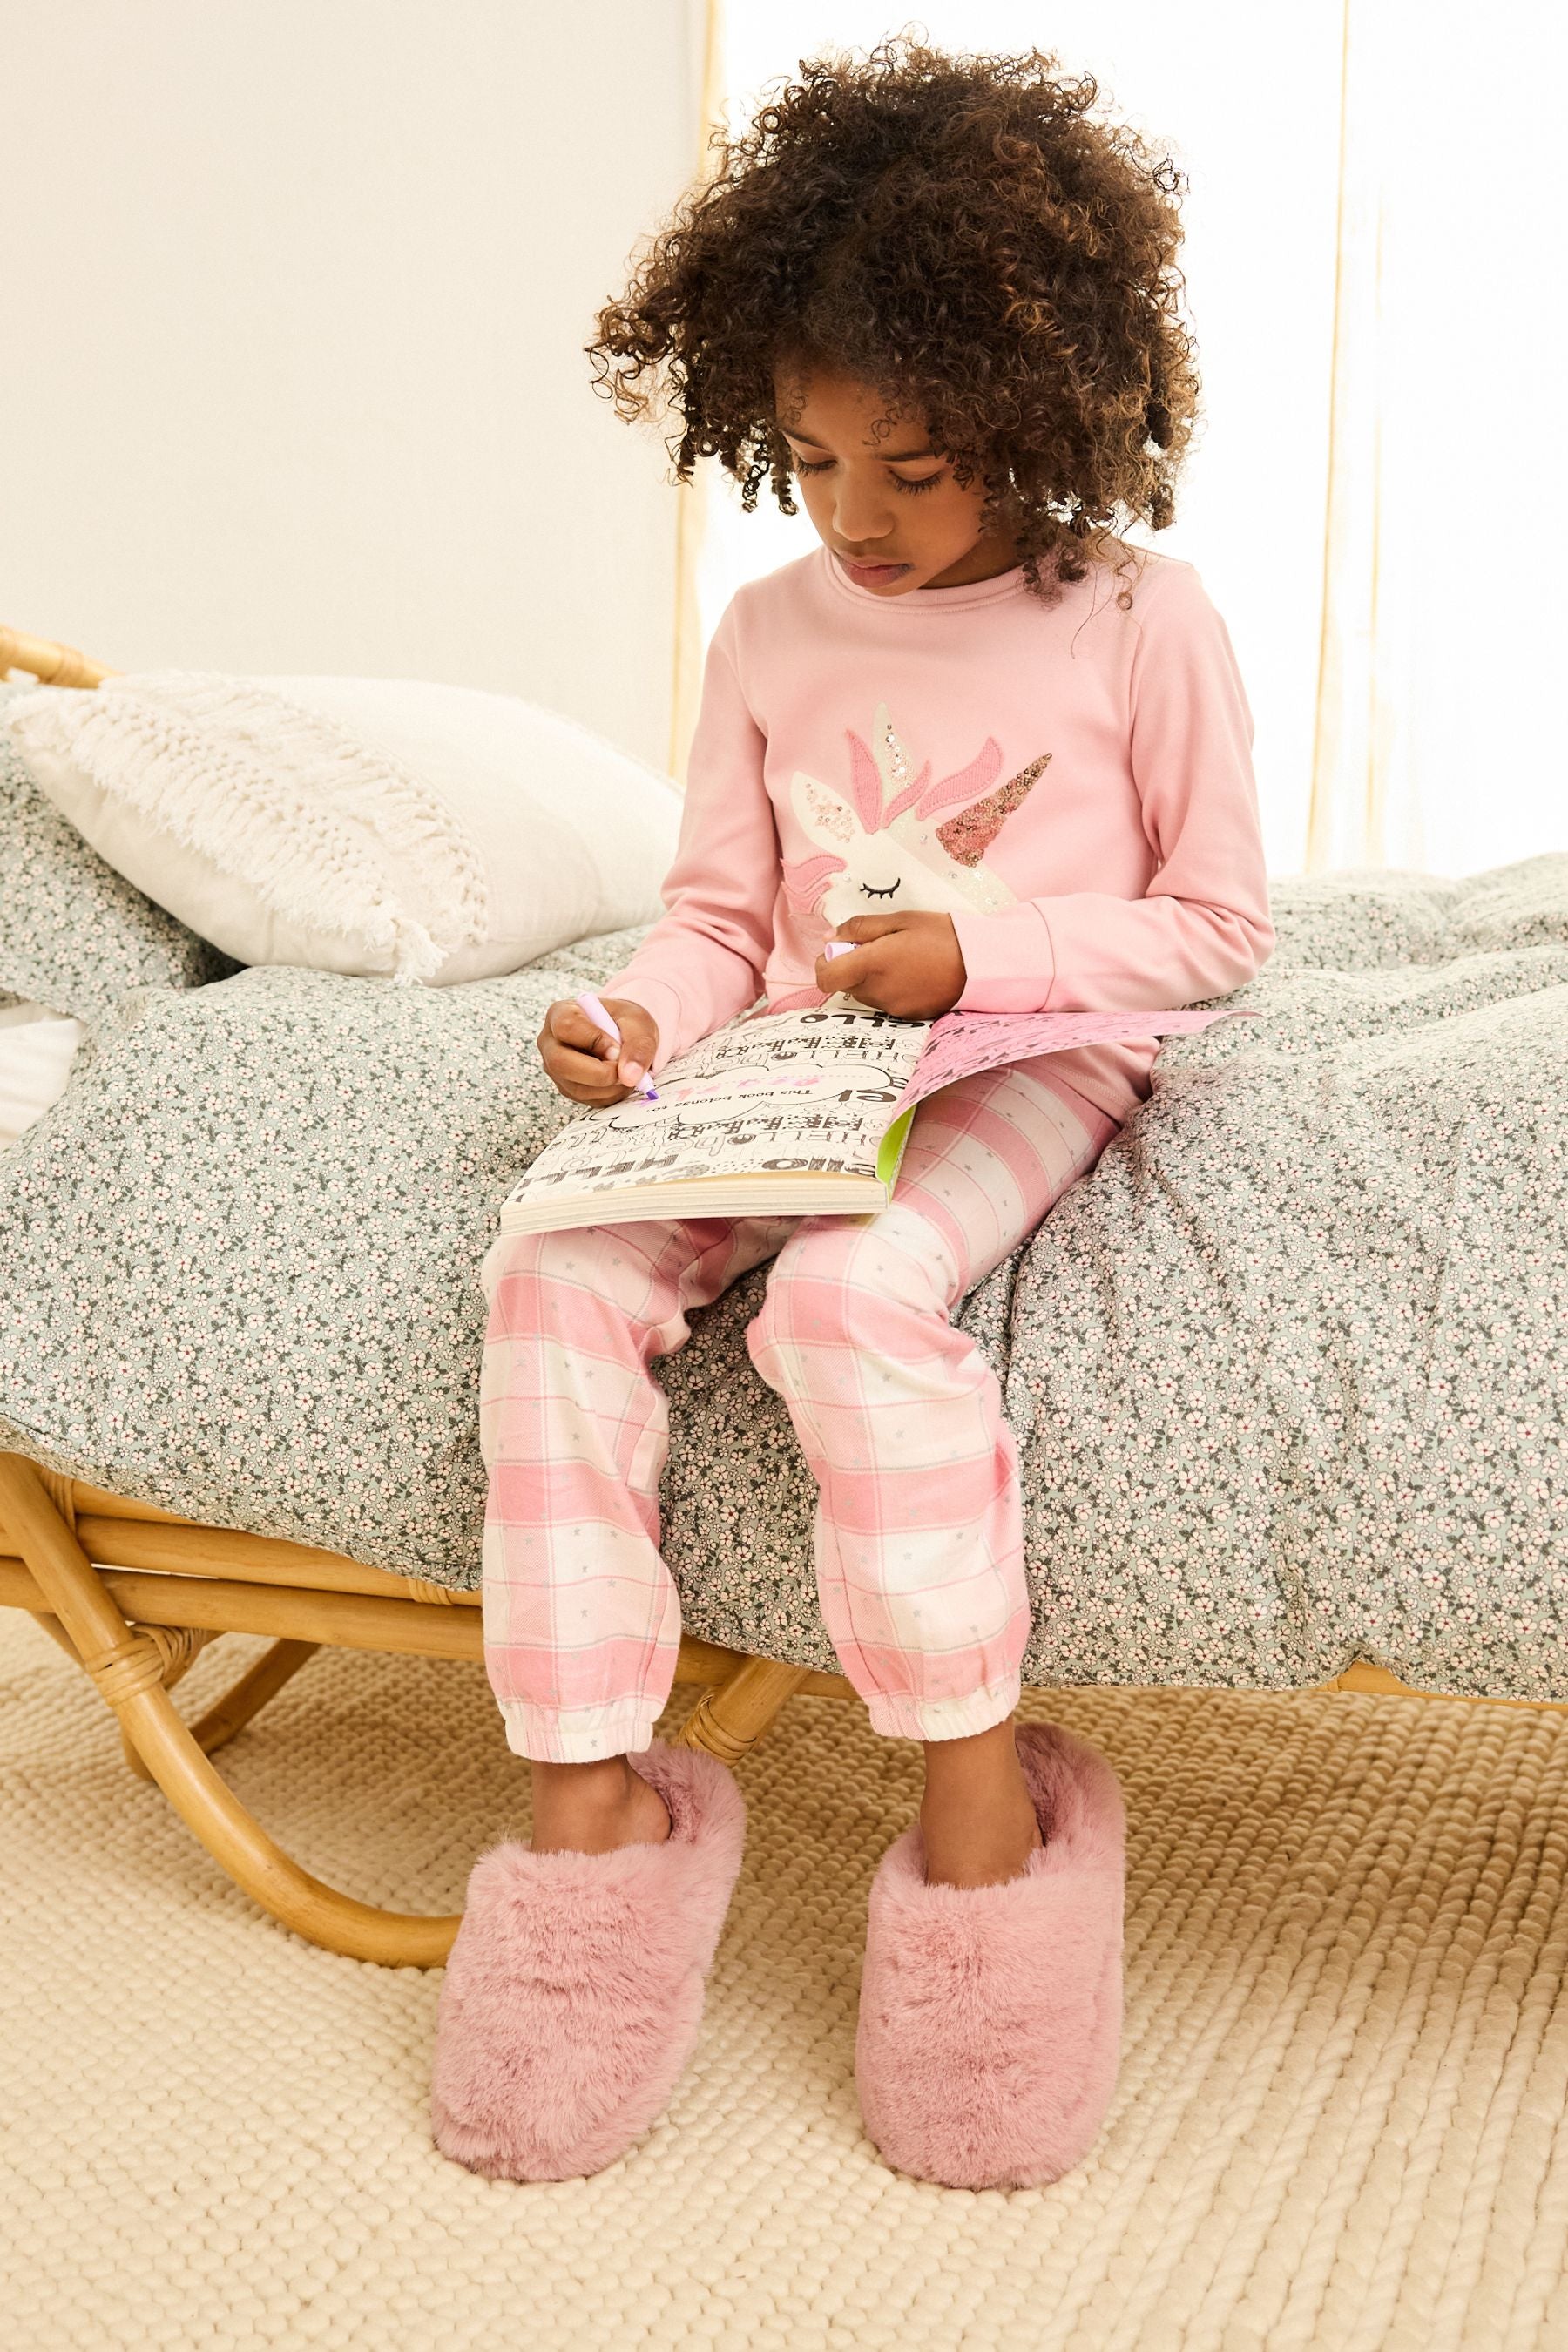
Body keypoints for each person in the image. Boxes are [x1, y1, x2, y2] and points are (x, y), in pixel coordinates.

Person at [432, 35, 1273, 2192]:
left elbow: (1216, 930)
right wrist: (631, 1016)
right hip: (783, 1063)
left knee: (843, 1315)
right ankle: (588, 1804)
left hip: (1025, 1051)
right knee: (549, 1270)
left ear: (1042, 415)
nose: (862, 520)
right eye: (810, 463)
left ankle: (981, 1822)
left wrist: (985, 966)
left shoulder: (1142, 622)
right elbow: (719, 914)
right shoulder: (768, 630)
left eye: (917, 467)